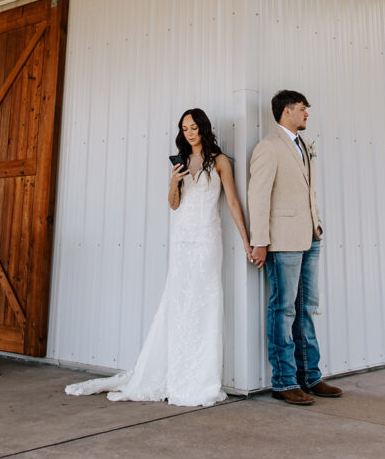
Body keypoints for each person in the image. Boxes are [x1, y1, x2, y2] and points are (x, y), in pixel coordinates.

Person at [66, 108, 252, 407]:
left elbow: (231, 200)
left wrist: (246, 241)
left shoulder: (219, 162)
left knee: (204, 301)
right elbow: (174, 205)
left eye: (193, 127)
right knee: (177, 303)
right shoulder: (180, 162)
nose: (189, 132)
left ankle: (199, 377)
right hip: (181, 238)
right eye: (184, 128)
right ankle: (173, 371)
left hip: (206, 238)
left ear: (203, 128)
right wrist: (173, 181)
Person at [248, 90, 343, 405]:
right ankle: (284, 381)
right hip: (282, 241)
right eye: (302, 109)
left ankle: (310, 377)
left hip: (310, 236)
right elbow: (258, 197)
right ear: (286, 112)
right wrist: (259, 242)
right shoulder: (268, 147)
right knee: (284, 308)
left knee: (306, 309)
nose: (306, 114)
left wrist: (318, 224)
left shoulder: (304, 145)